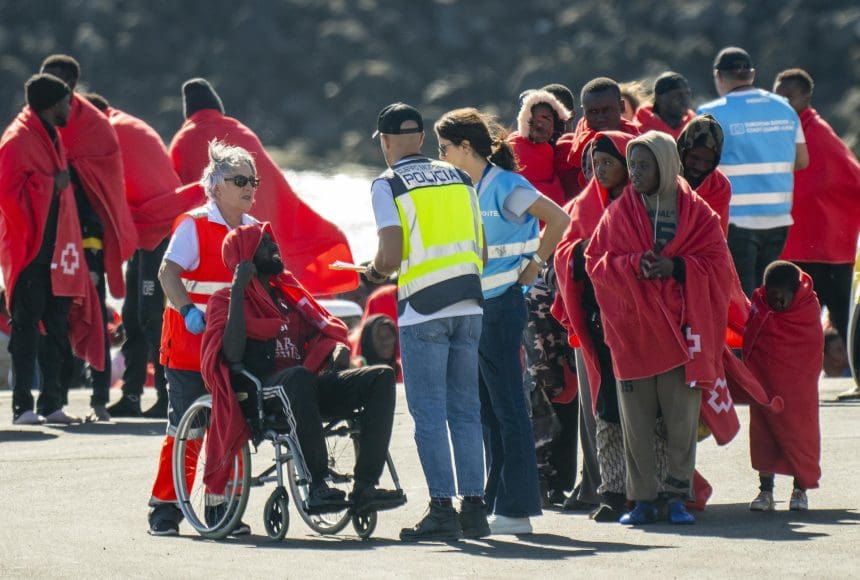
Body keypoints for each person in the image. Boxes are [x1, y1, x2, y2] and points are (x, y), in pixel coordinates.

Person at [200, 223, 404, 517]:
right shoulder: (225, 300)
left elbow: (327, 330)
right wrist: (238, 288)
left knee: (382, 377)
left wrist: (337, 349)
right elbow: (230, 353)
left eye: (273, 240)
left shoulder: (290, 296)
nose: (275, 246)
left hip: (304, 385)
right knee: (297, 379)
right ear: (245, 256)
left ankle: (365, 487)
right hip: (262, 390)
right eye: (265, 243)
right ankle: (318, 484)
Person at [585, 131, 735, 525]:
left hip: (681, 334)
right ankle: (644, 500)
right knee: (635, 421)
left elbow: (718, 265)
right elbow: (595, 261)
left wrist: (677, 267)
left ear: (666, 165)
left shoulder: (698, 212)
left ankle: (677, 497)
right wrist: (633, 264)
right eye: (631, 165)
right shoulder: (618, 213)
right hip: (633, 334)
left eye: (644, 165)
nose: (634, 173)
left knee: (680, 422)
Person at [436, 107, 570, 535]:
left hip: (500, 306)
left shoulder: (505, 185)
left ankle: (517, 509)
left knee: (509, 405)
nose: (441, 157)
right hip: (474, 308)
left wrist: (535, 265)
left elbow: (560, 219)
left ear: (465, 147)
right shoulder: (463, 187)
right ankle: (495, 500)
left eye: (444, 148)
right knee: (486, 409)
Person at [366, 103, 489, 542]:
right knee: (467, 410)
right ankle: (474, 509)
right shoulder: (459, 177)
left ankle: (442, 508)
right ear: (420, 138)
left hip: (423, 307)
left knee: (431, 413)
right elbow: (483, 249)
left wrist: (375, 273)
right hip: (470, 304)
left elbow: (391, 252)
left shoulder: (389, 182)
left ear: (384, 142)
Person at [146, 140, 259, 536]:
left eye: (253, 181)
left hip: (231, 347)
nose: (249, 187)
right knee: (186, 430)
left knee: (227, 431)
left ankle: (219, 508)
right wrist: (188, 311)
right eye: (240, 179)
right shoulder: (193, 225)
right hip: (189, 345)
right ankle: (165, 508)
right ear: (215, 185)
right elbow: (166, 273)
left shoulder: (253, 232)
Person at [169, 78, 357, 296]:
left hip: (218, 249)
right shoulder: (244, 133)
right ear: (218, 109)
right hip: (261, 238)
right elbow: (278, 189)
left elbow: (173, 199)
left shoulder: (183, 140)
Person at [84, 94, 202, 418]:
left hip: (159, 229)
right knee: (133, 314)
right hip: (147, 230)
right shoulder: (124, 123)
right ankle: (132, 395)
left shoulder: (108, 129)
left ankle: (169, 398)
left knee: (151, 317)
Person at [0, 74, 103, 425]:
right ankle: (22, 407)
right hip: (30, 253)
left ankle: (52, 403)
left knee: (57, 329)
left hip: (58, 255)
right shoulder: (18, 139)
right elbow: (7, 193)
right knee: (26, 330)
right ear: (50, 104)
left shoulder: (51, 136)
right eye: (66, 102)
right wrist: (50, 184)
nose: (70, 108)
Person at [40, 54, 138, 421]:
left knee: (95, 314)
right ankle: (54, 403)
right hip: (48, 241)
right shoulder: (37, 126)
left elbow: (105, 188)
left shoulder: (92, 126)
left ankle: (98, 400)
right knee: (54, 321)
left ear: (69, 86)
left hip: (86, 240)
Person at [552, 131, 637, 521]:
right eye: (594, 165)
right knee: (603, 409)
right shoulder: (583, 206)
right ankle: (609, 489)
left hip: (640, 322)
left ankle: (649, 490)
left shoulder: (649, 202)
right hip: (594, 322)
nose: (599, 171)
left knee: (643, 410)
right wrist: (586, 252)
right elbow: (565, 251)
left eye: (608, 163)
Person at [697, 47, 809, 297]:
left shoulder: (709, 113)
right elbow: (802, 160)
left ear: (718, 75)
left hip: (736, 220)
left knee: (742, 296)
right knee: (770, 295)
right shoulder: (785, 109)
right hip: (779, 218)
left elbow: (696, 167)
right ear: (752, 74)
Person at [774, 68, 860, 369]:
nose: (782, 102)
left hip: (828, 251)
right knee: (798, 321)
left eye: (789, 97)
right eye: (778, 95)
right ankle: (797, 380)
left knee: (843, 319)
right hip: (797, 248)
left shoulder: (819, 133)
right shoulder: (783, 131)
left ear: (806, 98)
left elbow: (853, 179)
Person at [744, 261, 822, 511]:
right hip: (764, 387)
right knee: (763, 436)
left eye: (783, 298)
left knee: (801, 437)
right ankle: (765, 491)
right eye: (773, 296)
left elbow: (812, 349)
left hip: (799, 391)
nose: (777, 302)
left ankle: (800, 491)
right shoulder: (759, 305)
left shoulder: (808, 307)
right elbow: (751, 341)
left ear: (795, 291)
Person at [564, 77, 640, 195]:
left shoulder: (638, 143)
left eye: (607, 110)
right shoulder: (571, 152)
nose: (600, 118)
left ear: (621, 107)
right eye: (593, 112)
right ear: (584, 113)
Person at [507, 89, 572, 207]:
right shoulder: (513, 147)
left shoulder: (564, 150)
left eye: (547, 120)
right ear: (524, 121)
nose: (540, 126)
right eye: (534, 120)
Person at [676, 114, 732, 235]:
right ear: (682, 151)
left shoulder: (719, 185)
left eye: (708, 161)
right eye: (694, 158)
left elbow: (717, 236)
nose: (700, 166)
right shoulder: (661, 174)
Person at [634, 72, 696, 139]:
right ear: (659, 98)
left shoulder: (696, 130)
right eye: (677, 95)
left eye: (687, 94)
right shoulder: (638, 133)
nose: (685, 100)